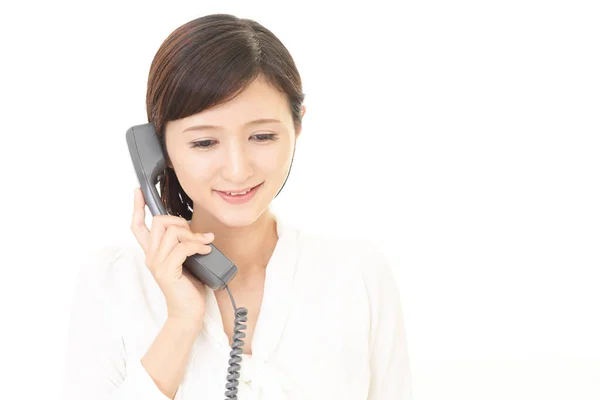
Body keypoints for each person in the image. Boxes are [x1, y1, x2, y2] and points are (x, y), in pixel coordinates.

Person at [60, 13, 412, 400]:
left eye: (262, 136)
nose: (238, 169)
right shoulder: (113, 283)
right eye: (204, 143)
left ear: (297, 128)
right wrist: (181, 321)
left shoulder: (356, 274)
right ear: (159, 150)